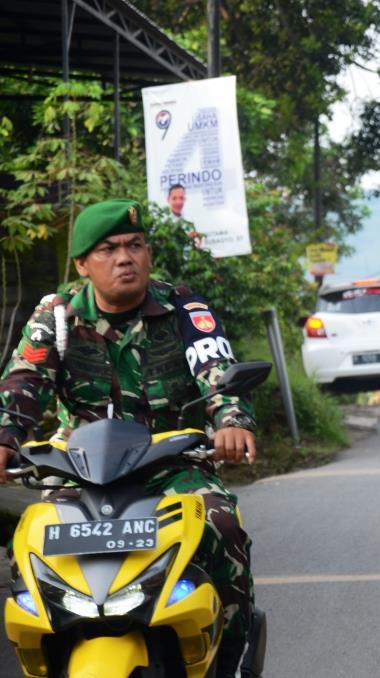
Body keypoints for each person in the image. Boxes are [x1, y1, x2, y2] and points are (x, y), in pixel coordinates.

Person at [0, 199, 257, 678]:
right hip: (76, 470)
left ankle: (232, 660)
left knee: (223, 526)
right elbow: (23, 381)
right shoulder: (55, 316)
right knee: (28, 548)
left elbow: (217, 372)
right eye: (110, 249)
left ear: (148, 254)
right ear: (82, 265)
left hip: (173, 465)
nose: (125, 258)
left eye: (135, 246)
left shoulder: (184, 307)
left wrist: (231, 421)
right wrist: (5, 436)